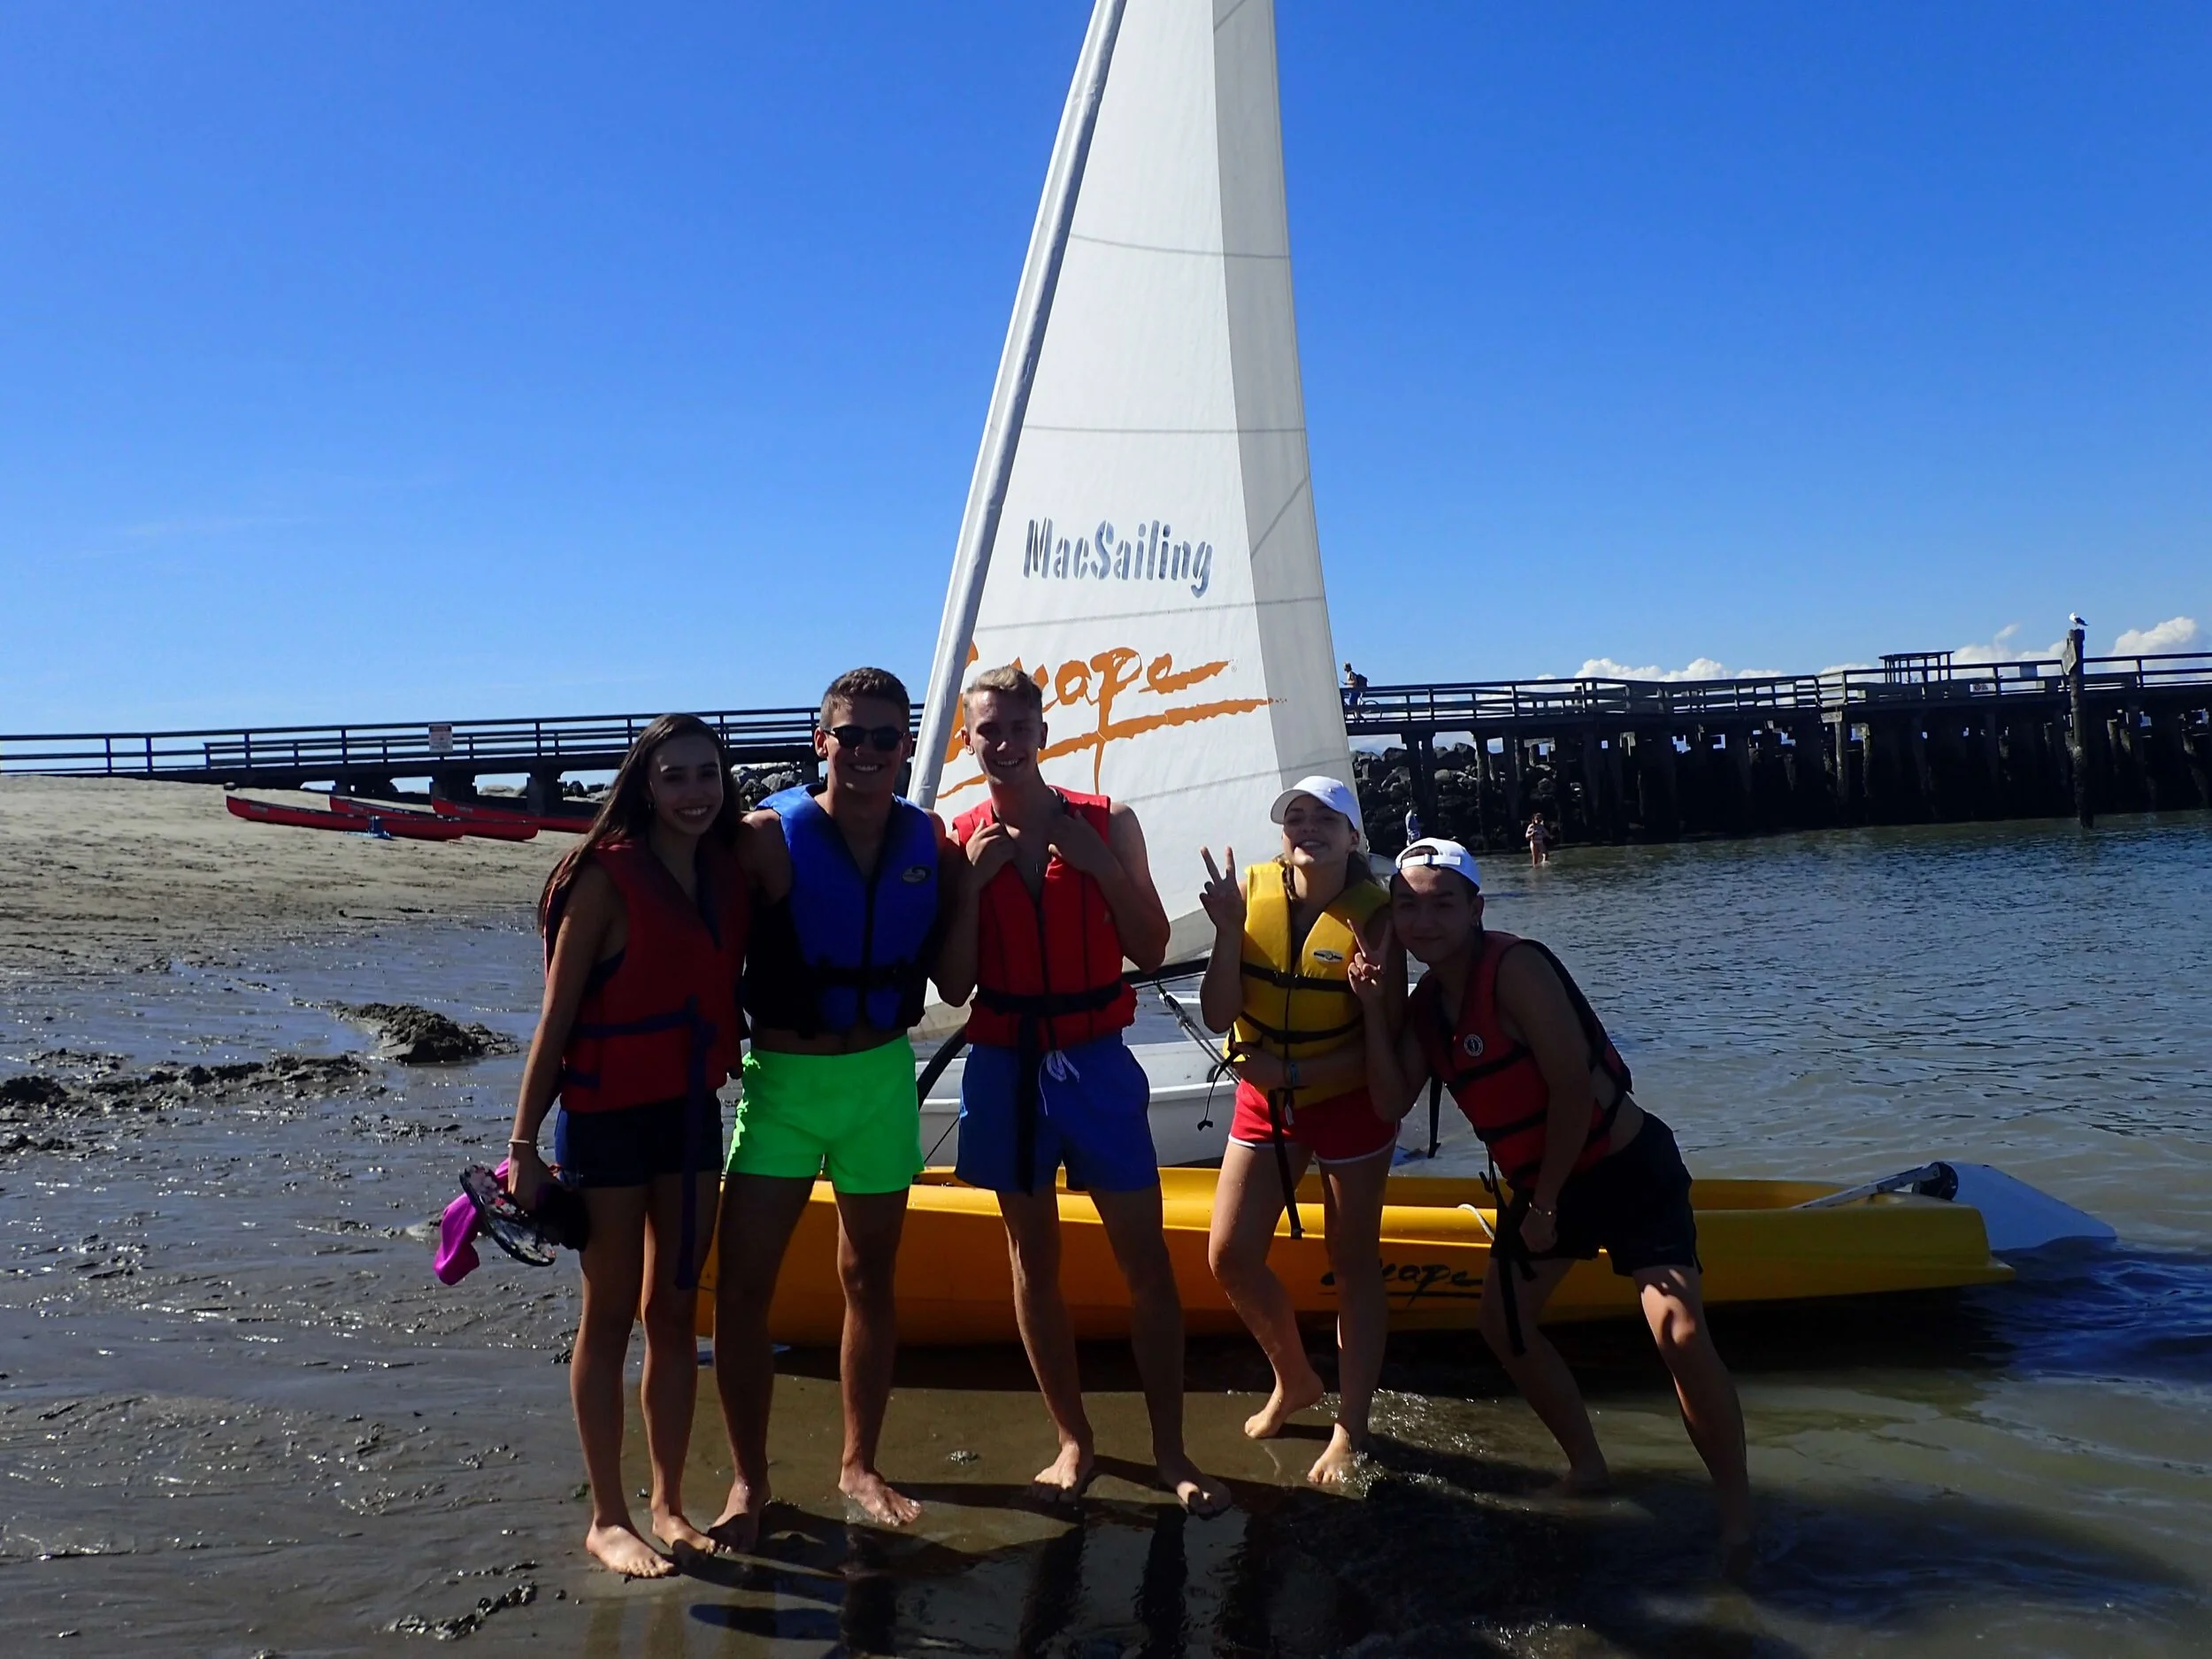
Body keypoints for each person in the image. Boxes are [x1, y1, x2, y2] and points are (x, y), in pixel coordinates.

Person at [1358, 836, 1753, 1570]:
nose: (1423, 920)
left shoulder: (1516, 967)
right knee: (1503, 1325)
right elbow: (1386, 1102)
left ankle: (1737, 1518)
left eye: (1443, 902)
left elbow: (1572, 1086)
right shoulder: (1424, 1009)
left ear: (1476, 908)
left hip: (1622, 1167)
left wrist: (1543, 1207)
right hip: (1544, 1184)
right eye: (1406, 906)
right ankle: (1589, 1467)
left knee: (1679, 1333)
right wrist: (1372, 1006)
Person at [939, 664, 1229, 1515]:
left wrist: (1101, 866)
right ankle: (1074, 1441)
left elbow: (1145, 946)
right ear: (969, 739)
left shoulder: (1107, 822)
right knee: (1034, 1259)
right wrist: (973, 887)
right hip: (1005, 1061)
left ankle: (1171, 1450)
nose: (1003, 743)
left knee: (1146, 1260)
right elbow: (954, 985)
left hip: (1097, 1060)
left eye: (1017, 727)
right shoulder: (957, 839)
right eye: (987, 730)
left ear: (1042, 732)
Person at [710, 667, 971, 1550]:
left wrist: (975, 878)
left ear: (907, 746)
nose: (865, 753)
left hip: (880, 1084)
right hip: (784, 1087)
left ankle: (860, 1463)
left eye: (884, 738)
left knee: (870, 1281)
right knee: (743, 1288)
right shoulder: (763, 839)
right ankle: (750, 1481)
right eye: (849, 736)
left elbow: (958, 981)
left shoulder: (929, 845)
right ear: (820, 741)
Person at [505, 713, 750, 1578]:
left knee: (676, 1315)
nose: (693, 793)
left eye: (707, 777)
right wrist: (524, 1142)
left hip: (688, 1114)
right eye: (676, 776)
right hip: (606, 1120)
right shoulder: (604, 881)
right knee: (608, 1315)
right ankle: (607, 1517)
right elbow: (556, 1017)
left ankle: (669, 1504)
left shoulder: (725, 869)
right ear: (644, 783)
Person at [1197, 775, 1404, 1486]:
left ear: (1354, 836)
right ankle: (1294, 1377)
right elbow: (1221, 1013)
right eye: (1296, 817)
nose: (1308, 827)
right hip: (1268, 1095)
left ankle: (1352, 1423)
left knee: (1352, 1262)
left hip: (1347, 1099)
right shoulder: (1246, 898)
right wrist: (1227, 931)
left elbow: (1389, 1043)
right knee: (1228, 1253)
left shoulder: (1377, 918)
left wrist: (1294, 1071)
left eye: (1326, 817)